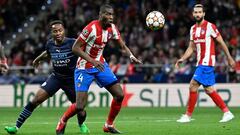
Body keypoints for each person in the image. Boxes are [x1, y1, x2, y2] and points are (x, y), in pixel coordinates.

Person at [55, 4, 142, 134]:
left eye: (112, 14)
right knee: (80, 106)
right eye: (108, 14)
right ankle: (62, 121)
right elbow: (75, 48)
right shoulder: (91, 28)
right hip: (84, 67)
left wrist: (131, 55)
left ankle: (108, 125)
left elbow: (122, 45)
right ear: (101, 15)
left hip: (100, 66)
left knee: (119, 95)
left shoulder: (112, 28)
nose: (111, 17)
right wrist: (92, 61)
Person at [5, 20, 89, 134]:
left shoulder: (73, 43)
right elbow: (47, 53)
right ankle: (16, 127)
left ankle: (81, 124)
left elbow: (86, 54)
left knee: (80, 109)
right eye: (55, 31)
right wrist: (38, 59)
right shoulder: (50, 43)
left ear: (64, 31)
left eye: (60, 30)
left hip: (71, 80)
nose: (58, 33)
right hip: (56, 77)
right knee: (35, 100)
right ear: (52, 33)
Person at [175, 4, 235, 123]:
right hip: (200, 62)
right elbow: (191, 48)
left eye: (199, 12)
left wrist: (229, 58)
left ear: (203, 14)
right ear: (193, 14)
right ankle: (227, 112)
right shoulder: (192, 29)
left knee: (193, 85)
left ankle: (187, 116)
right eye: (195, 12)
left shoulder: (210, 26)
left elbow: (222, 43)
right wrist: (183, 58)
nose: (197, 14)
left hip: (207, 61)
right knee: (208, 89)